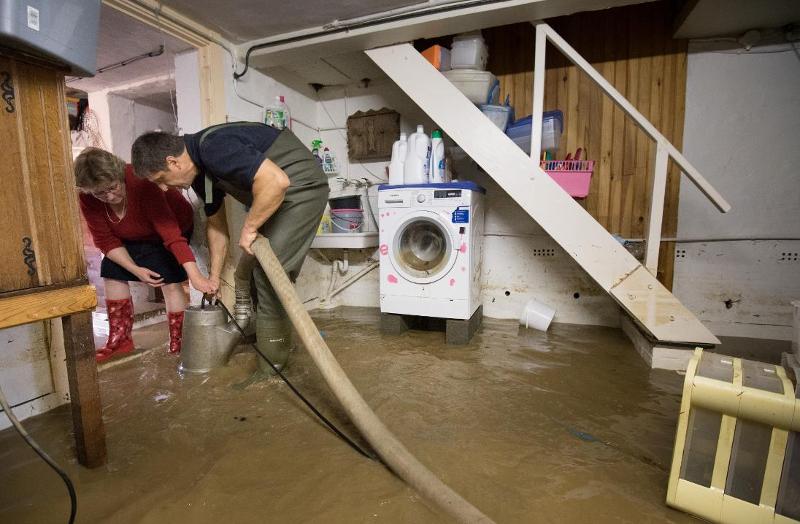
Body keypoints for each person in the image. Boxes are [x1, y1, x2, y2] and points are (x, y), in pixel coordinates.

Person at [131, 122, 329, 374]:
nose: (163, 188)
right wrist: (213, 277)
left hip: (301, 190)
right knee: (257, 271)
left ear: (173, 162)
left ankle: (273, 369)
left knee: (270, 275)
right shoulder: (199, 174)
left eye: (161, 179)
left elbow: (276, 181)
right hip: (280, 197)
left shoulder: (214, 147)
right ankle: (273, 343)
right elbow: (216, 225)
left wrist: (249, 228)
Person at [75, 148, 214, 362]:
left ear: (119, 174)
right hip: (129, 235)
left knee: (167, 276)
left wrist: (195, 276)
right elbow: (105, 240)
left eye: (113, 188)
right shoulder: (88, 197)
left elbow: (171, 235)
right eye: (100, 193)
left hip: (169, 227)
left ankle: (179, 340)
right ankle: (120, 341)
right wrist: (135, 269)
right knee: (112, 271)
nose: (109, 197)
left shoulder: (141, 182)